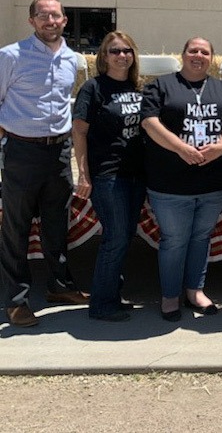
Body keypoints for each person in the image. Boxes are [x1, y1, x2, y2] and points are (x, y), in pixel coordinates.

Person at [0, 0, 89, 328]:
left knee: (56, 224)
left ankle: (59, 286)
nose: (50, 21)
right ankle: (15, 300)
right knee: (16, 228)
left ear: (65, 20)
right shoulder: (11, 56)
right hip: (22, 152)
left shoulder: (72, 59)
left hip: (59, 153)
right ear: (31, 21)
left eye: (56, 16)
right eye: (43, 16)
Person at [141, 37, 222, 322]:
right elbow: (149, 122)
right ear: (183, 54)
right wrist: (180, 148)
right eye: (193, 50)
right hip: (170, 184)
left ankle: (195, 291)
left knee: (201, 238)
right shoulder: (160, 86)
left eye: (205, 52)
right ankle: (170, 296)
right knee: (174, 240)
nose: (198, 55)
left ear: (212, 58)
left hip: (213, 183)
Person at [72, 31, 146, 322]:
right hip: (107, 175)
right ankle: (101, 305)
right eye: (114, 51)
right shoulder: (93, 88)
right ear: (104, 56)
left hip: (136, 175)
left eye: (127, 50)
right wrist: (84, 174)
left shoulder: (138, 88)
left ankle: (112, 295)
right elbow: (79, 130)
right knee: (114, 238)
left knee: (125, 236)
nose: (121, 56)